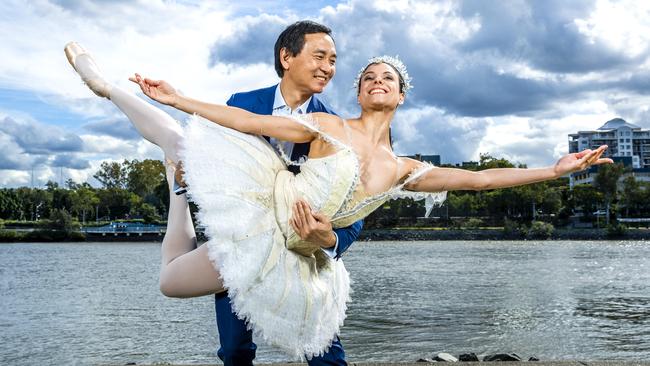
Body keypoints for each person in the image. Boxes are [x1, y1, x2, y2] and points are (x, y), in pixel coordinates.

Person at [64, 39, 612, 361]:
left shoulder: (406, 171)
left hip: (304, 252)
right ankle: (115, 97)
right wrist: (179, 96)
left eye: (388, 77)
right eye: (368, 76)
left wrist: (554, 169)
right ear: (358, 92)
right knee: (178, 186)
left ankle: (178, 191)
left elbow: (484, 180)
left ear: (401, 95)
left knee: (318, 343)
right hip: (263, 216)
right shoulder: (324, 124)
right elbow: (251, 120)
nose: (377, 80)